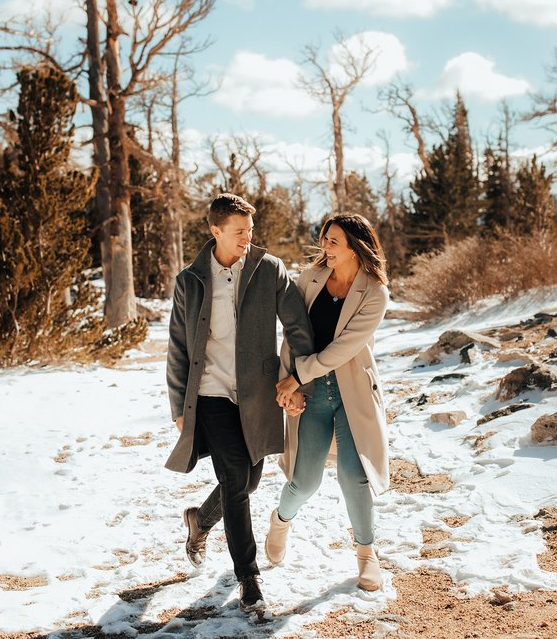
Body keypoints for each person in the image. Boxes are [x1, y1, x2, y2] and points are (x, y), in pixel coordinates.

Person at [165, 193, 314, 612]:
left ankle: (200, 520)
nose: (248, 238)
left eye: (251, 230)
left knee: (247, 481)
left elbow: (297, 326)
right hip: (209, 393)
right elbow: (177, 346)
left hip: (256, 394)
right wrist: (179, 406)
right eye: (239, 231)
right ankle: (249, 577)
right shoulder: (190, 280)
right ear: (215, 231)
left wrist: (298, 377)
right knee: (236, 481)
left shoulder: (269, 269)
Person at [266, 213, 390, 592]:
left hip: (353, 393)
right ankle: (280, 521)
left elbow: (345, 348)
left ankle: (367, 556)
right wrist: (290, 386)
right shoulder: (310, 278)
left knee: (355, 476)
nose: (325, 247)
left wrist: (299, 374)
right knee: (304, 481)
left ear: (355, 245)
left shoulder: (375, 292)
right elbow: (294, 333)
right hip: (311, 391)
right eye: (324, 239)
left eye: (333, 241)